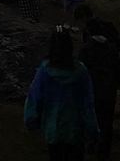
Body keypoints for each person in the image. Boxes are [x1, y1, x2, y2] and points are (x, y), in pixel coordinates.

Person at [24, 27, 99, 161]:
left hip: (53, 130)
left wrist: (31, 120)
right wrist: (92, 130)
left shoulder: (44, 71)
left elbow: (34, 97)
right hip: (75, 131)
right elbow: (88, 104)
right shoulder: (81, 71)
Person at [76, 6, 120, 161]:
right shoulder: (112, 49)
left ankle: (92, 144)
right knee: (106, 122)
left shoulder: (87, 50)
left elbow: (81, 70)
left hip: (92, 89)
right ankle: (103, 152)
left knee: (91, 117)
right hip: (109, 90)